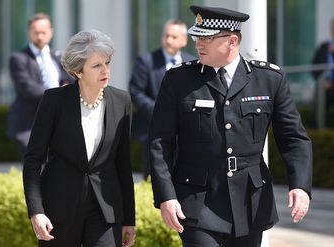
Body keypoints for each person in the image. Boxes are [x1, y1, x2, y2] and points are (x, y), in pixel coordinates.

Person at [149, 5, 312, 247]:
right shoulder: (178, 80)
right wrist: (166, 196)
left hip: (250, 202)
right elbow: (160, 142)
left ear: (232, 41)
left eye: (207, 38)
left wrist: (300, 185)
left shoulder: (268, 80)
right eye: (197, 37)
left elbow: (293, 138)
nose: (198, 44)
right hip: (197, 201)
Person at [23, 30, 136, 247]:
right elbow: (33, 159)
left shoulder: (122, 101)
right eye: (96, 66)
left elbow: (123, 164)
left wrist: (129, 219)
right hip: (59, 209)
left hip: (105, 210)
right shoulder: (54, 101)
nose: (106, 71)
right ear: (78, 71)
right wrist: (36, 211)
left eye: (107, 63)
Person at [129, 19, 195, 180]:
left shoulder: (192, 62)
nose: (168, 40)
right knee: (156, 177)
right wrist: (161, 113)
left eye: (174, 36)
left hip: (185, 131)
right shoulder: (147, 61)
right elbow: (135, 92)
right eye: (166, 35)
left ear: (184, 40)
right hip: (153, 128)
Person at [6, 13, 73, 160]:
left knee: (57, 172)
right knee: (36, 173)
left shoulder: (60, 57)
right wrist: (58, 94)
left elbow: (71, 80)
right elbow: (27, 87)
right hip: (30, 125)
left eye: (43, 32)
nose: (40, 36)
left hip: (58, 124)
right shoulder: (19, 59)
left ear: (51, 32)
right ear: (29, 32)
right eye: (36, 32)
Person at [312, 18, 334, 110]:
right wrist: (322, 81)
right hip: (324, 84)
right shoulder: (323, 46)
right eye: (332, 27)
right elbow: (314, 66)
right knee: (319, 97)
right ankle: (317, 124)